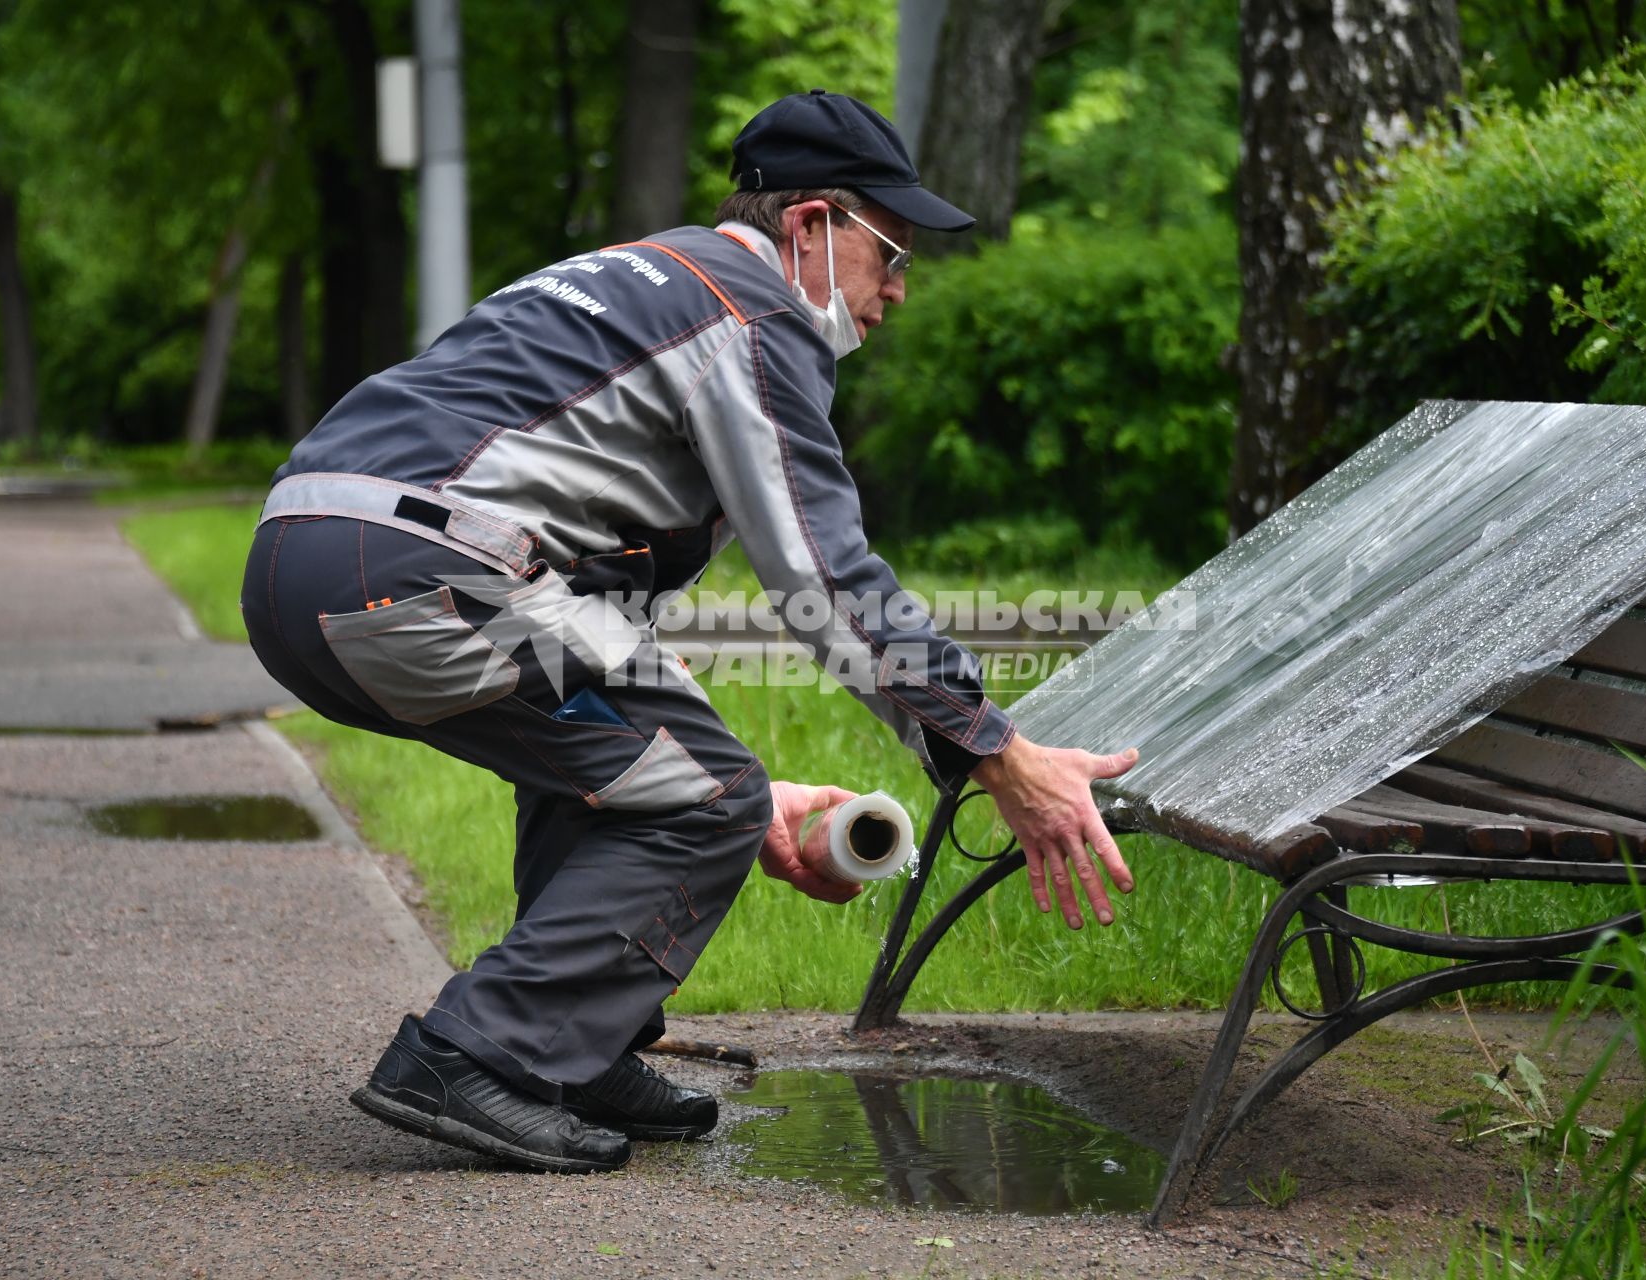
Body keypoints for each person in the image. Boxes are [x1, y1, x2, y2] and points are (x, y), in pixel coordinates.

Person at [240, 90, 1137, 1174]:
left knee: (671, 779)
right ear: (809, 227)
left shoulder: (636, 274)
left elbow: (594, 605)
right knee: (708, 793)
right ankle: (478, 1053)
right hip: (419, 575)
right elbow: (826, 574)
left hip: (307, 560)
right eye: (889, 254)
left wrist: (745, 789)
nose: (896, 291)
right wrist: (998, 752)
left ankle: (575, 1044)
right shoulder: (752, 313)